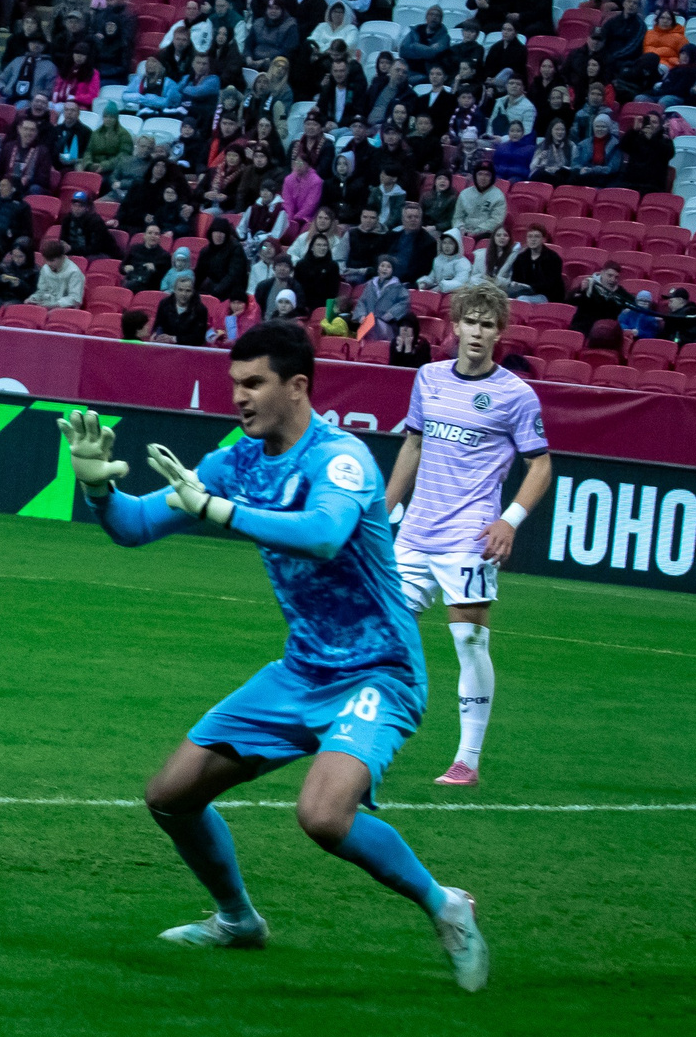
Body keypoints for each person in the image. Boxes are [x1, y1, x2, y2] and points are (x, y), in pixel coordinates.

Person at [58, 325, 489, 990]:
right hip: (302, 669)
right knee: (170, 796)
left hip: (378, 670)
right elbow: (137, 527)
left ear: (297, 387)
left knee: (323, 815)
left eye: (253, 383)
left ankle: (445, 903)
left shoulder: (340, 458)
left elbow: (323, 535)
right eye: (234, 383)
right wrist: (97, 490)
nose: (238, 397)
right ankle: (237, 920)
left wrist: (222, 511)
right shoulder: (237, 461)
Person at [382, 283, 552, 790]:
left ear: (500, 332)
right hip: (414, 534)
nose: (478, 332)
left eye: (488, 324)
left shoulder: (515, 395)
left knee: (469, 640)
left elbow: (541, 465)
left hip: (467, 536)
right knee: (383, 632)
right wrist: (383, 511)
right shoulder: (428, 378)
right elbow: (413, 445)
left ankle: (467, 760)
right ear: (454, 326)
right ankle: (371, 735)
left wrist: (509, 521)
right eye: (471, 322)